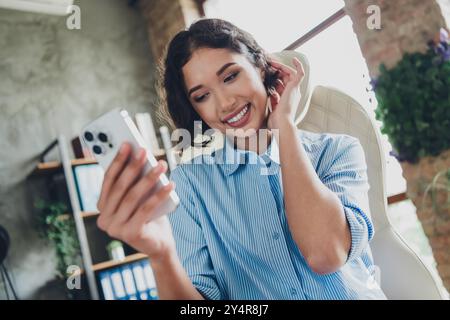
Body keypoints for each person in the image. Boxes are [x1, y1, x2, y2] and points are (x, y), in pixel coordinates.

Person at [96, 18, 386, 300]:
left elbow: (326, 255)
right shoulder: (190, 183)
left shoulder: (337, 151)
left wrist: (284, 126)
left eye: (230, 76)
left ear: (262, 66)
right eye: (202, 96)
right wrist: (161, 256)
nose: (225, 103)